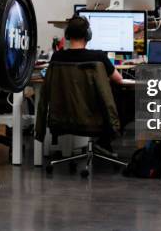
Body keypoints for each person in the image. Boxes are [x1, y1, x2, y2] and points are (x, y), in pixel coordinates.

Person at [49, 15, 124, 155]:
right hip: (94, 118)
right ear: (88, 35)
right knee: (127, 97)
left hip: (65, 118)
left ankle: (103, 143)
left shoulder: (57, 57)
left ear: (67, 35)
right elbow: (119, 79)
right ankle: (104, 140)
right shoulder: (99, 57)